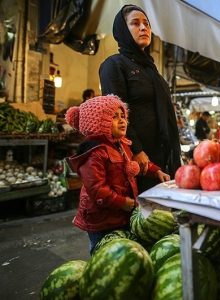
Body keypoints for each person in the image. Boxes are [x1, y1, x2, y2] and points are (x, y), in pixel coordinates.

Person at [65, 95, 170, 254]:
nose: (122, 121)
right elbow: (97, 189)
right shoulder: (93, 153)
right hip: (101, 219)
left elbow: (136, 165)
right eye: (114, 117)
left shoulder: (122, 145)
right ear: (98, 123)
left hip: (120, 215)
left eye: (123, 116)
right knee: (102, 251)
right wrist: (122, 202)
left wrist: (156, 171)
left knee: (119, 251)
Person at [99, 5, 181, 193]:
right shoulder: (114, 65)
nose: (144, 28)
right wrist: (136, 149)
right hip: (136, 159)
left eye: (147, 24)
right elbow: (116, 113)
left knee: (160, 215)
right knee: (139, 214)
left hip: (160, 155)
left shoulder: (151, 70)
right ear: (122, 30)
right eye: (135, 23)